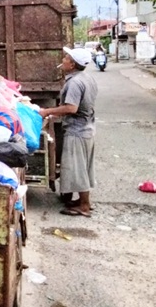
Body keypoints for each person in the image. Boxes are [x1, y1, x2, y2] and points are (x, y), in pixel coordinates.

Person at [39, 47, 98, 217]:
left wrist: (48, 111)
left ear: (72, 64)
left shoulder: (74, 83)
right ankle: (81, 201)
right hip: (87, 128)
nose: (63, 59)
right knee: (84, 167)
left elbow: (72, 108)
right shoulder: (87, 78)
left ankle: (84, 206)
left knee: (77, 168)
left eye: (66, 57)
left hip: (77, 130)